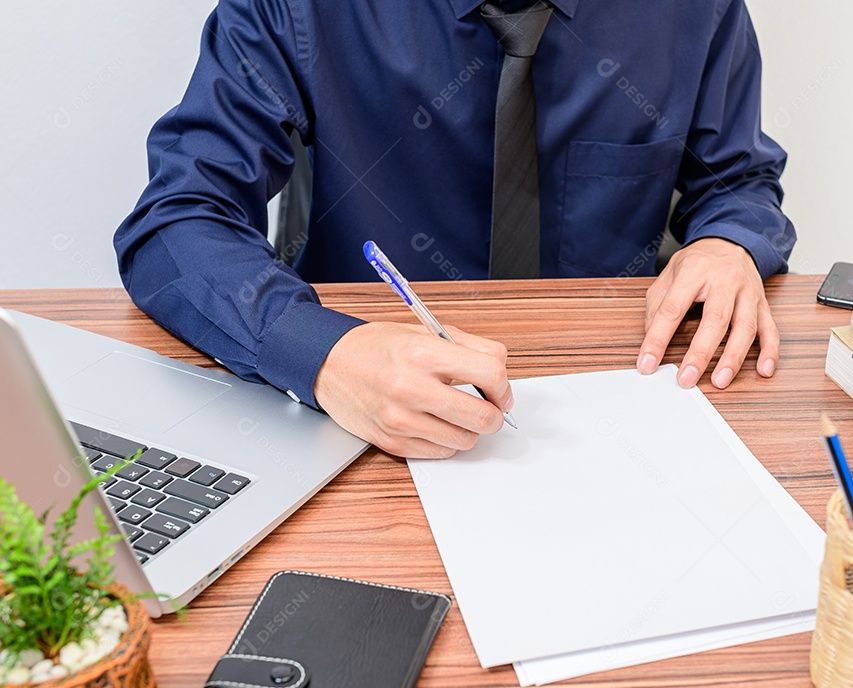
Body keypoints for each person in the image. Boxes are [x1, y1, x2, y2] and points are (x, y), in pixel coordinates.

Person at [114, 0, 796, 459]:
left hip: (618, 419)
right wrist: (324, 354)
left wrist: (727, 241)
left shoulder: (696, 13)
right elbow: (178, 217)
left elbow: (736, 178)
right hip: (361, 433)